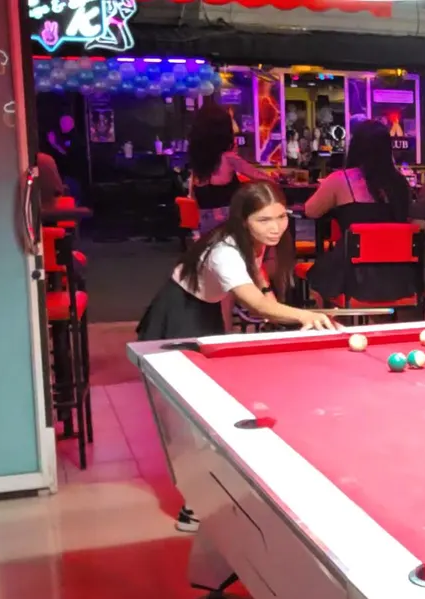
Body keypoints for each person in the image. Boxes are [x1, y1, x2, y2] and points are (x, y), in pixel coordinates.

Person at [137, 181, 334, 532]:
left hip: (202, 310)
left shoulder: (250, 240)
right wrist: (302, 315)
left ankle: (216, 494)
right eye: (264, 220)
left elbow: (257, 279)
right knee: (195, 417)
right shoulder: (224, 250)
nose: (275, 227)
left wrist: (272, 300)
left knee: (207, 411)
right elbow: (254, 304)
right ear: (244, 221)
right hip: (180, 313)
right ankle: (194, 507)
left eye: (281, 217)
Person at [303, 119, 415, 304]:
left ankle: (331, 320)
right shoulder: (400, 183)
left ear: (355, 147)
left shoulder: (341, 179)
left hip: (354, 276)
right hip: (399, 277)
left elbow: (310, 211)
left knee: (316, 276)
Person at [188, 102, 273, 234]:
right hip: (229, 224)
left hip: (205, 224)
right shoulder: (229, 158)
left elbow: (192, 195)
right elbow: (261, 177)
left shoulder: (198, 162)